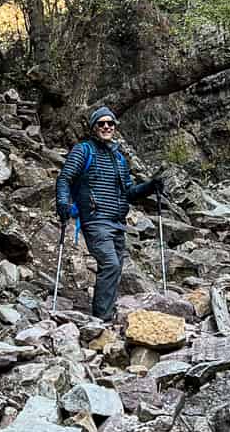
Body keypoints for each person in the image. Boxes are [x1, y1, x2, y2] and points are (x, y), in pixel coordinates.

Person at [55, 106, 164, 321]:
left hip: (117, 223)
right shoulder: (83, 150)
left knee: (116, 268)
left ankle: (105, 313)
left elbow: (130, 193)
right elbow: (65, 178)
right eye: (101, 123)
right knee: (111, 264)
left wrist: (150, 186)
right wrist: (62, 203)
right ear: (94, 127)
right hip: (95, 220)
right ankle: (102, 318)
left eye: (110, 123)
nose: (106, 126)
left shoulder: (120, 159)